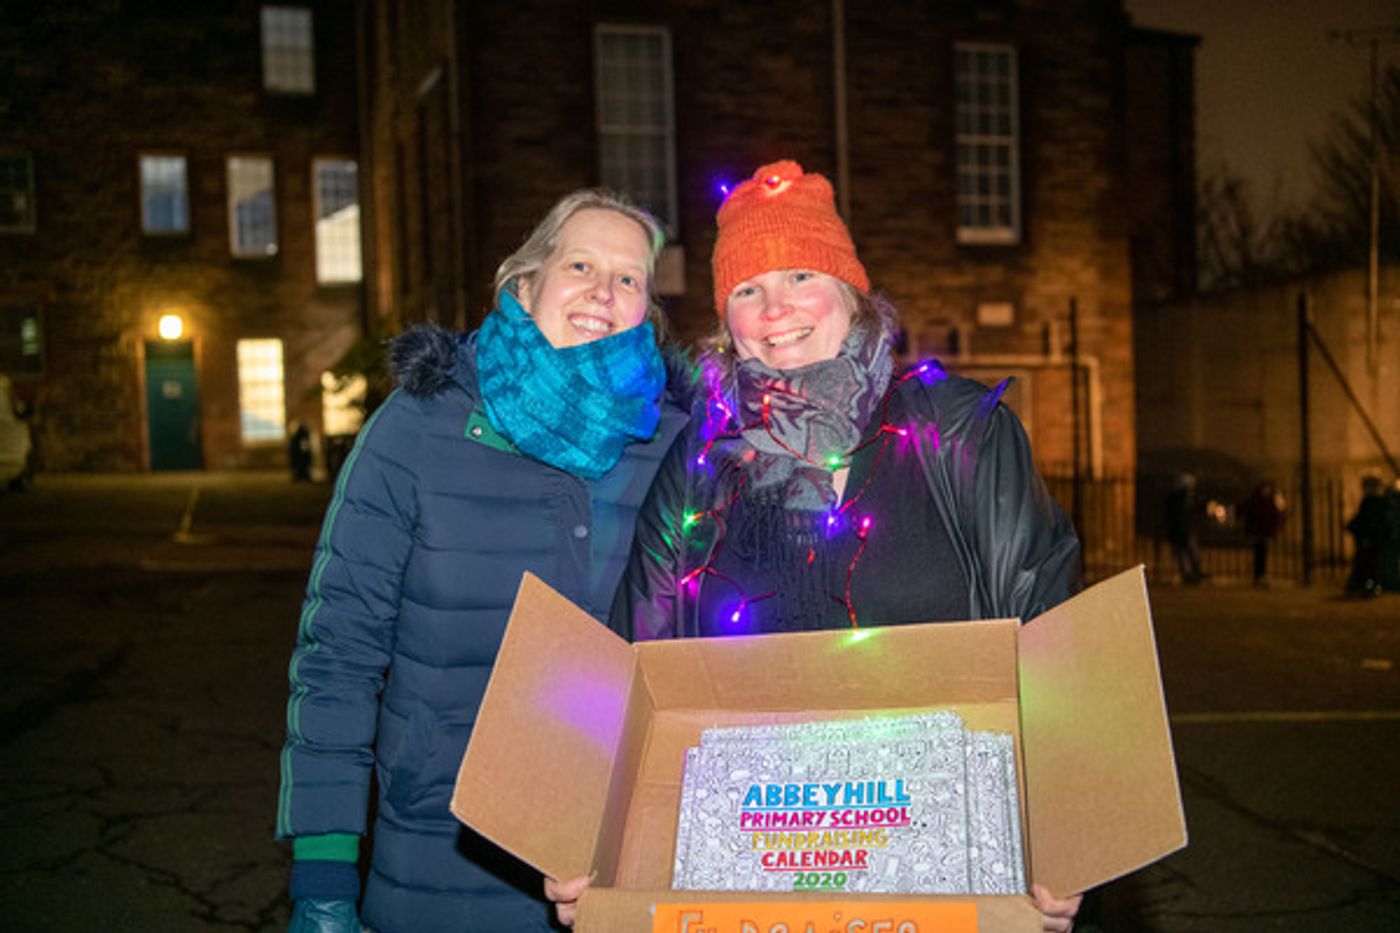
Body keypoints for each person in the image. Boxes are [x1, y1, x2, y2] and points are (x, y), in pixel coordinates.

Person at [576, 160, 1084, 932]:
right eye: (747, 288)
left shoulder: (959, 432)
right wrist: (591, 842)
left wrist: (1067, 846)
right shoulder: (698, 464)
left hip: (943, 874)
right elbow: (634, 666)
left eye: (801, 274)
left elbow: (1053, 644)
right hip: (748, 876)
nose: (775, 308)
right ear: (725, 320)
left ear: (850, 293)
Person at [276, 189, 690, 933]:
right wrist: (325, 871)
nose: (604, 290)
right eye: (581, 264)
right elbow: (338, 656)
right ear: (524, 282)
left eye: (630, 278)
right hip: (439, 859)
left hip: (621, 865)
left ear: (647, 313)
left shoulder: (674, 447)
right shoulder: (415, 430)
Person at [1345, 474, 1389, 596]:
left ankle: (1371, 585)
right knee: (1369, 564)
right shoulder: (1374, 502)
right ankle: (1368, 584)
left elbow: (1369, 521)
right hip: (1371, 538)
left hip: (1371, 538)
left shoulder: (1374, 502)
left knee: (1371, 565)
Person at [1237, 481, 1283, 586]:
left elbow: (1274, 516)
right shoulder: (1257, 500)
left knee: (1262, 552)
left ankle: (1260, 575)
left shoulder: (1269, 501)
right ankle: (1259, 575)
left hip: (1263, 531)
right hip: (1258, 530)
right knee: (1259, 553)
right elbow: (1243, 509)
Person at [1164, 472, 1205, 584]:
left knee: (1187, 552)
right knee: (1186, 552)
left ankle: (1191, 573)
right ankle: (1190, 573)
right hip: (1183, 529)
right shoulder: (1182, 499)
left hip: (1182, 529)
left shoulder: (1179, 498)